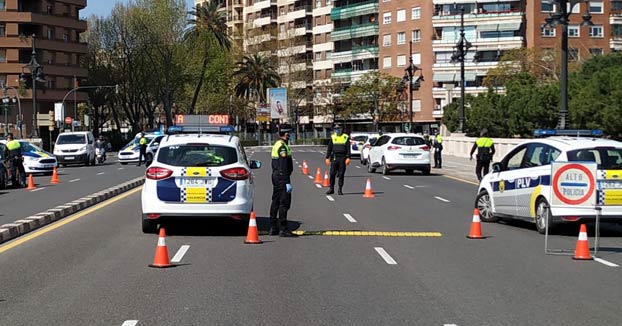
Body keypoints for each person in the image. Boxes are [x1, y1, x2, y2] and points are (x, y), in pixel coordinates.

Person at [270, 125, 296, 237]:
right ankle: (283, 229)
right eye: (288, 133)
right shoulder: (282, 147)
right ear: (285, 134)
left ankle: (273, 227)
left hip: (276, 176)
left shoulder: (278, 144)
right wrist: (287, 182)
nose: (289, 135)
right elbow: (284, 166)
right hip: (282, 177)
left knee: (275, 201)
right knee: (284, 202)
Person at [325, 123, 350, 195]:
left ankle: (340, 189)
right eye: (336, 129)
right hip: (335, 157)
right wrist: (327, 157)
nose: (337, 130)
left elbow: (348, 148)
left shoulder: (345, 137)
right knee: (332, 174)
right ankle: (331, 188)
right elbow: (329, 148)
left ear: (342, 129)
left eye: (339, 129)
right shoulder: (333, 137)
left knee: (341, 174)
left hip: (342, 157)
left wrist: (348, 157)